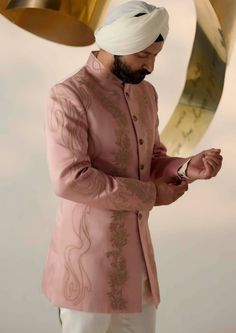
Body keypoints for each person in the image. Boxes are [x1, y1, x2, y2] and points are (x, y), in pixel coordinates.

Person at [42, 1, 223, 332]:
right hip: (87, 271)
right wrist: (152, 195)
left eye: (155, 56)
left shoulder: (146, 94)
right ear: (118, 44)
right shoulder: (69, 96)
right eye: (143, 56)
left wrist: (185, 168)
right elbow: (69, 180)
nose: (151, 67)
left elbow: (151, 159)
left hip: (137, 267)